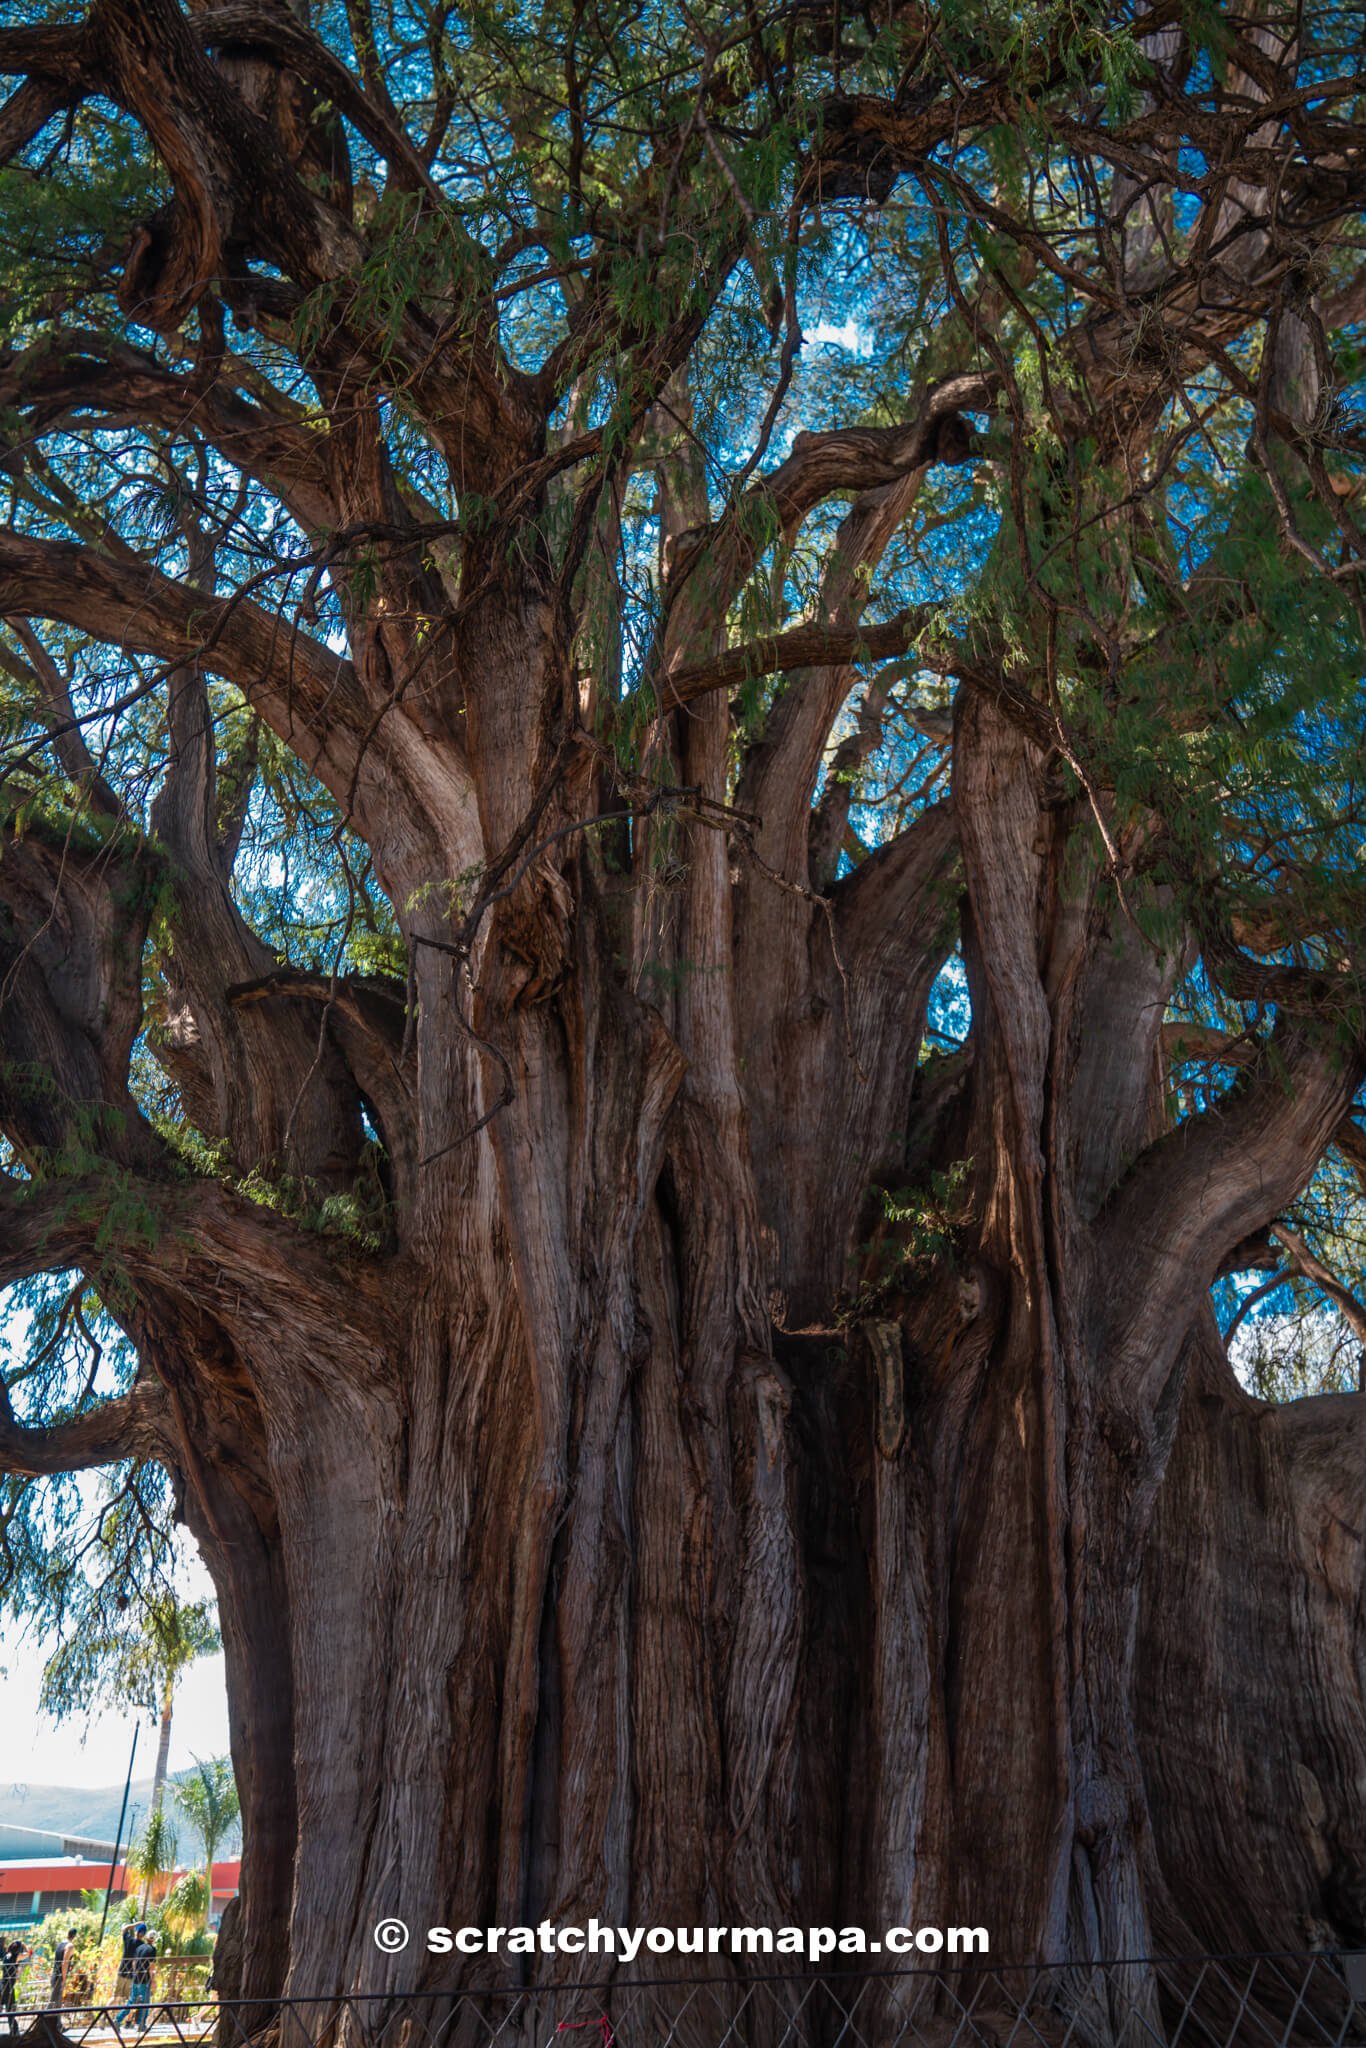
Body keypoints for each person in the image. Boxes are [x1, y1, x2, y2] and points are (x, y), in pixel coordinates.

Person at [111, 1929, 156, 2037]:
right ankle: (141, 2024)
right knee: (145, 2002)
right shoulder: (152, 1949)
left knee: (131, 2002)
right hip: (145, 1979)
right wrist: (153, 1980)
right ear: (154, 1940)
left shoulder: (140, 1947)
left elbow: (134, 1963)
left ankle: (118, 2020)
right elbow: (151, 1967)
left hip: (135, 1978)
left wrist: (136, 1974)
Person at [0, 1939, 32, 2039]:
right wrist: (24, 1944)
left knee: (4, 2008)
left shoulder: (6, 1955)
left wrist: (16, 1943)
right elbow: (30, 1953)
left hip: (2, 1984)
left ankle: (14, 2030)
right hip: (8, 1987)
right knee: (11, 2009)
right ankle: (14, 2031)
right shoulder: (16, 1957)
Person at [47, 1930, 76, 2011]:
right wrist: (64, 1978)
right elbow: (65, 1963)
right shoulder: (70, 1946)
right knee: (54, 2002)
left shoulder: (60, 1944)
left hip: (54, 1974)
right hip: (59, 1976)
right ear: (74, 1936)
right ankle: (44, 2021)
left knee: (55, 2002)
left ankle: (56, 2022)